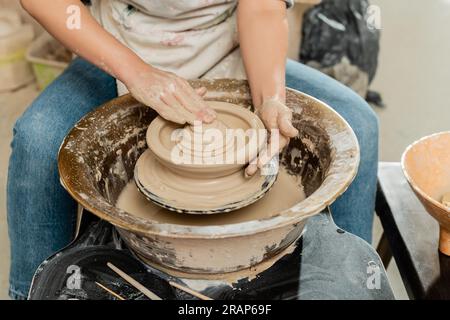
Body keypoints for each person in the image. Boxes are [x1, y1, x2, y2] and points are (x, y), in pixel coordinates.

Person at [8, 0, 379, 300]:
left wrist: (270, 98)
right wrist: (137, 74)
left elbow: (262, 7)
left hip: (231, 46)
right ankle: (28, 292)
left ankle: (346, 285)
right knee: (36, 138)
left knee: (357, 126)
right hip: (121, 46)